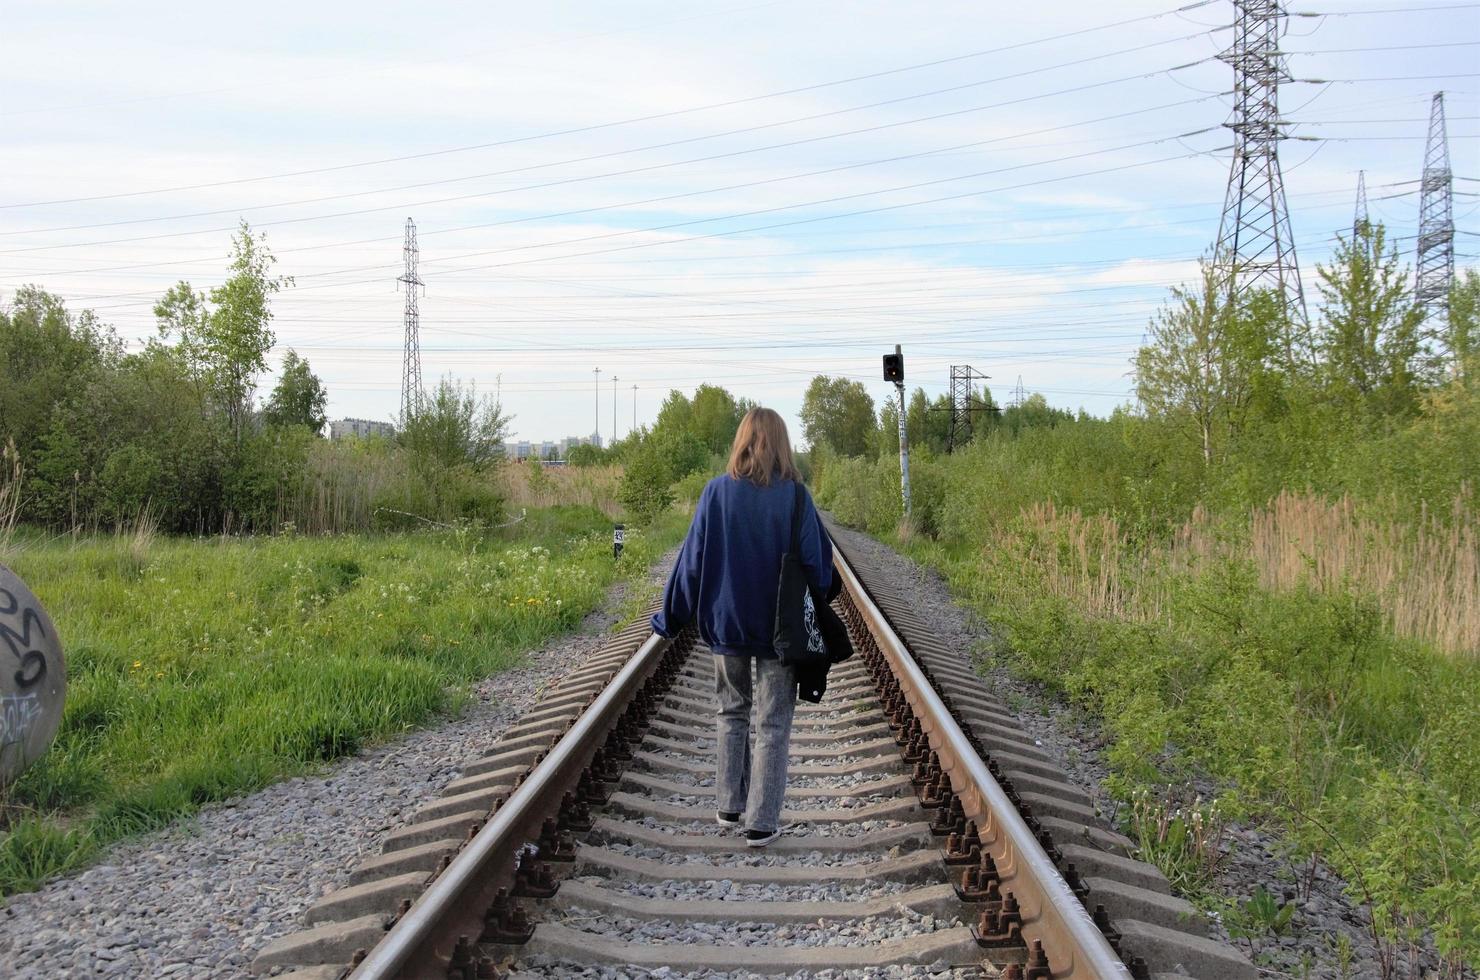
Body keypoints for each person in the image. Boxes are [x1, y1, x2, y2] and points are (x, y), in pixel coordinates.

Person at [651, 407, 833, 847]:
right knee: (772, 723)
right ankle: (762, 822)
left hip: (727, 623)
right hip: (780, 630)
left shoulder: (715, 494)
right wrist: (819, 604)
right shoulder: (795, 497)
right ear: (782, 445)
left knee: (730, 712)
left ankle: (729, 805)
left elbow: (691, 564)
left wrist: (671, 618)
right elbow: (817, 568)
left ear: (741, 442)